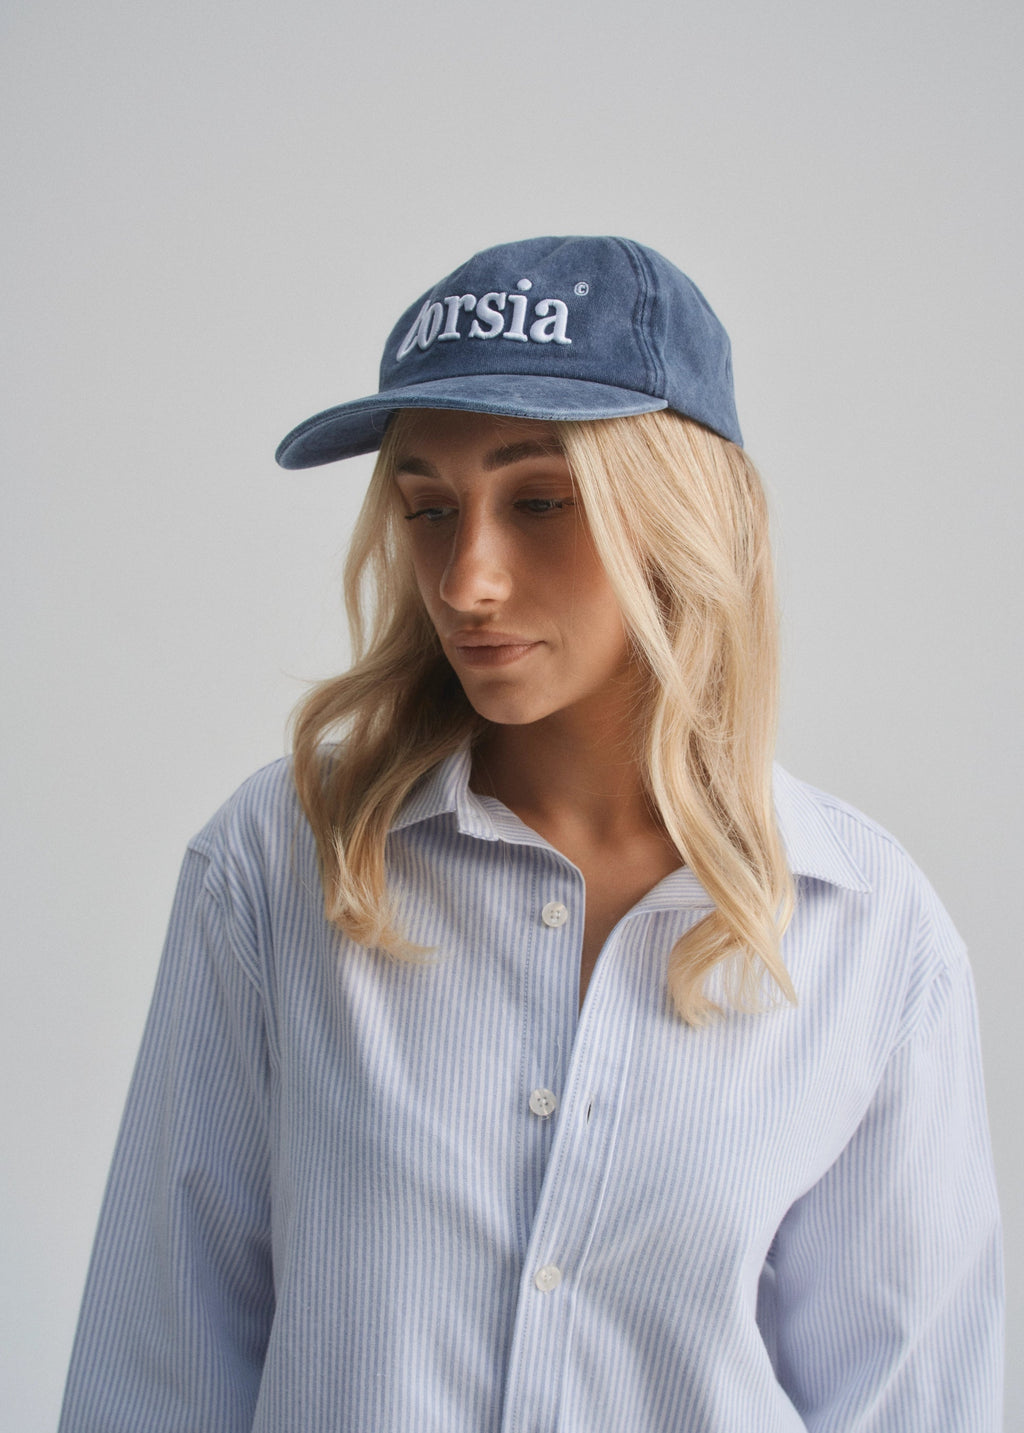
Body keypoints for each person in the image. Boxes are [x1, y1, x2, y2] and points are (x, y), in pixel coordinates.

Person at [59, 236, 1003, 1431]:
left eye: (541, 500)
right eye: (429, 509)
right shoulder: (283, 858)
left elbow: (912, 1399)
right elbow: (157, 1363)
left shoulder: (865, 928)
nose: (468, 579)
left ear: (677, 516)